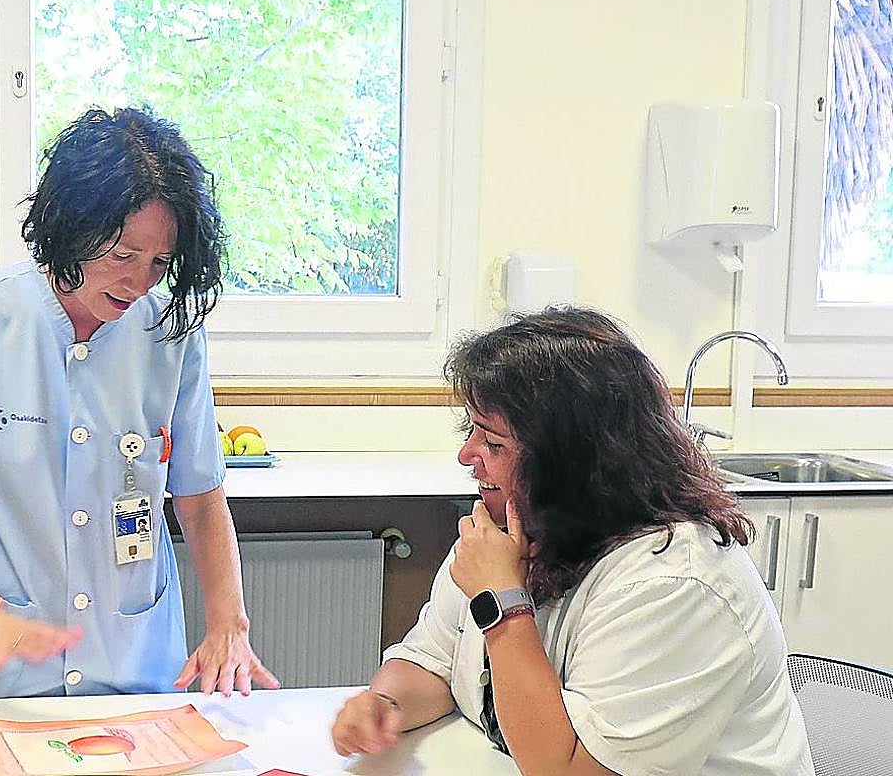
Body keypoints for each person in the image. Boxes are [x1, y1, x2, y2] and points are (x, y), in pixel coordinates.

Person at [0, 106, 277, 701]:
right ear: (68, 228)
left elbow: (200, 498)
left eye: (159, 263)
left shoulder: (169, 334)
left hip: (133, 670)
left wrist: (230, 623)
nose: (139, 282)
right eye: (122, 255)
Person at [331, 308, 812, 775]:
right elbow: (433, 660)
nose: (467, 455)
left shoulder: (673, 583)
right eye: (472, 432)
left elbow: (572, 771)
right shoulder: (510, 532)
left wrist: (503, 605)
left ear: (573, 466)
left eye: (494, 444)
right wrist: (385, 704)